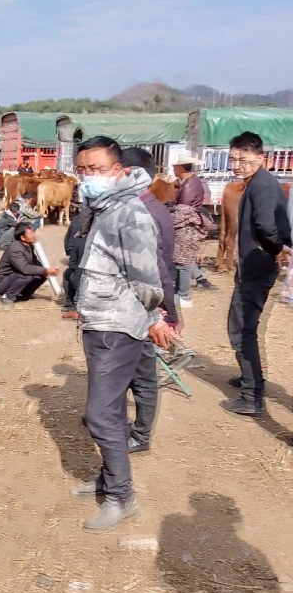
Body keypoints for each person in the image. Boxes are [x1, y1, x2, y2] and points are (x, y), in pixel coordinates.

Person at [72, 136, 175, 531]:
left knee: (99, 414)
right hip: (99, 320)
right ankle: (108, 479)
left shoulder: (129, 213)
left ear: (117, 171)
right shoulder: (104, 206)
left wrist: (153, 318)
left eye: (96, 170)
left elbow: (147, 277)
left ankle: (122, 496)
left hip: (118, 326)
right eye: (82, 170)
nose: (87, 177)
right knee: (111, 409)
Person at [222, 131, 292, 415]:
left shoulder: (262, 185)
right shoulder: (257, 182)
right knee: (242, 325)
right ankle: (248, 377)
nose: (238, 165)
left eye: (245, 159)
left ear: (261, 158)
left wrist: (276, 248)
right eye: (234, 159)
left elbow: (265, 226)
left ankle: (252, 395)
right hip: (254, 263)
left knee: (241, 329)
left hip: (257, 266)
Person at [119, 147, 179, 453]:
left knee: (142, 375)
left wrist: (167, 315)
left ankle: (140, 435)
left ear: (129, 174)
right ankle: (112, 419)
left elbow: (160, 270)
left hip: (144, 306)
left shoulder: (144, 214)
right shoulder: (148, 207)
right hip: (132, 304)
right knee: (124, 367)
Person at [173, 154, 216, 291]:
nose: (173, 168)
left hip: (186, 227)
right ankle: (199, 280)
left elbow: (182, 213)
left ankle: (182, 294)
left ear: (180, 168)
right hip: (190, 224)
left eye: (175, 166)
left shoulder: (189, 186)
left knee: (183, 263)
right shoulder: (191, 181)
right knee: (187, 258)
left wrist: (167, 221)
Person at [0, 222, 57, 305]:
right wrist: (45, 270)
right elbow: (24, 269)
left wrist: (46, 270)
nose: (34, 235)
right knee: (27, 275)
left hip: (16, 277)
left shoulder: (29, 246)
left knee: (42, 274)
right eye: (31, 233)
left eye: (33, 232)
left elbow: (35, 262)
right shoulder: (15, 248)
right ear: (22, 237)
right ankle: (8, 296)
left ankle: (23, 294)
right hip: (3, 282)